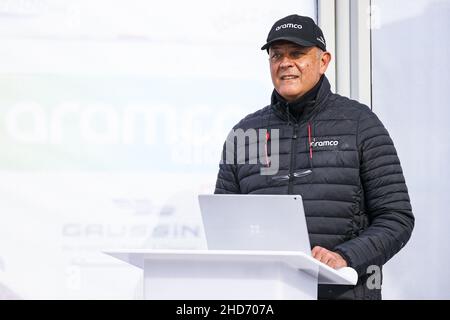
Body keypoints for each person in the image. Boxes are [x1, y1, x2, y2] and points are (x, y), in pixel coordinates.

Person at [214, 14, 414, 300]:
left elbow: (396, 218)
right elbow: (223, 224)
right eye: (276, 55)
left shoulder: (360, 124)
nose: (285, 63)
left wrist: (345, 256)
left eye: (297, 53)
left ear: (323, 62)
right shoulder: (244, 133)